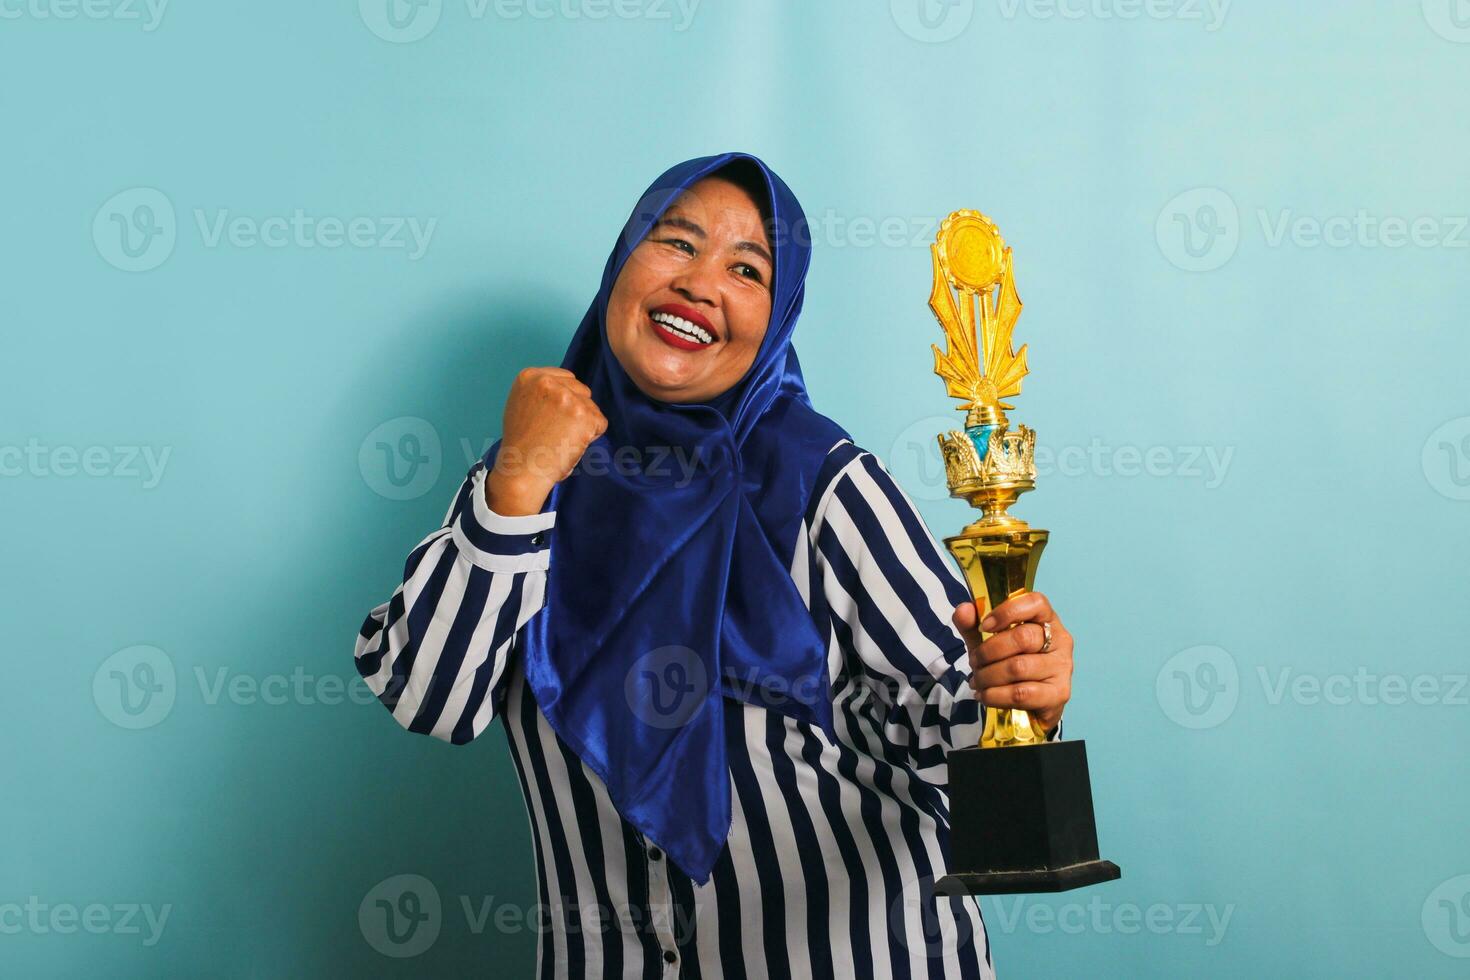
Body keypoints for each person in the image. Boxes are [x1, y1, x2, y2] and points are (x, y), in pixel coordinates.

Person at [353, 152, 1077, 979]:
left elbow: (945, 740)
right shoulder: (525, 480)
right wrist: (517, 481)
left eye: (746, 269)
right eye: (674, 243)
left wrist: (1018, 690)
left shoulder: (824, 483)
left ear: (776, 318)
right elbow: (427, 696)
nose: (700, 283)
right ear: (620, 267)